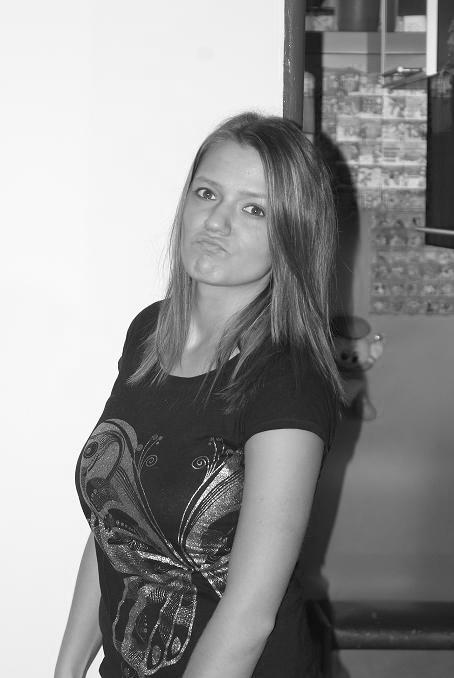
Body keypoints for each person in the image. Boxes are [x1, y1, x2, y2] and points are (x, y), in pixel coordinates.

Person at [55, 112, 343, 678]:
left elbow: (250, 615)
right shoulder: (150, 334)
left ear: (293, 233)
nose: (216, 221)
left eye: (255, 209)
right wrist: (66, 669)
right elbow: (115, 525)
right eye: (207, 193)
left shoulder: (286, 378)